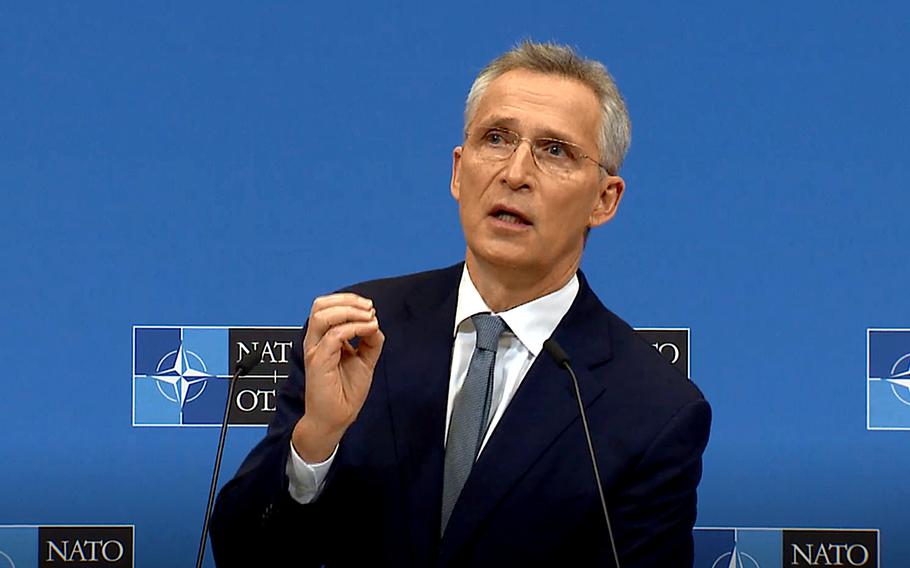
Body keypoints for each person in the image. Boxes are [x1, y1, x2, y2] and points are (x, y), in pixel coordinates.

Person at [209, 40, 711, 567]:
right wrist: (316, 441)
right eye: (496, 139)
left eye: (555, 150)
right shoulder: (358, 331)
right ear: (457, 170)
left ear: (604, 200)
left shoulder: (654, 408)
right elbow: (245, 552)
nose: (515, 173)